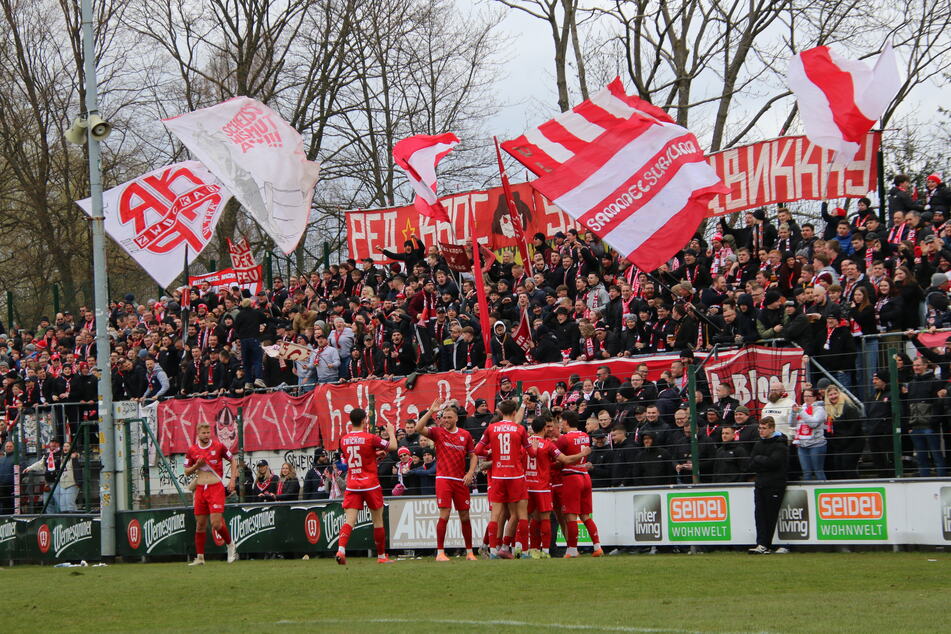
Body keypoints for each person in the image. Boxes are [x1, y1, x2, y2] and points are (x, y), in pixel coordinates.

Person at [415, 400, 479, 561]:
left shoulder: (465, 435)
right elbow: (418, 428)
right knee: (445, 513)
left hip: (460, 480)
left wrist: (470, 472)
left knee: (465, 516)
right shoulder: (437, 432)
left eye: (450, 417)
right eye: (444, 417)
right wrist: (431, 411)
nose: (446, 420)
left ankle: (470, 552)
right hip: (443, 479)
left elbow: (473, 455)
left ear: (456, 418)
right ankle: (440, 552)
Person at [336, 408, 396, 565]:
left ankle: (341, 550)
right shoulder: (370, 438)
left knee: (349, 520)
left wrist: (374, 455)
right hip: (370, 484)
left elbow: (353, 458)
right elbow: (393, 447)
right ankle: (382, 556)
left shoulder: (344, 439)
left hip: (353, 484)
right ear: (364, 420)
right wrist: (391, 432)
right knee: (377, 521)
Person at [474, 399, 533, 559]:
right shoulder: (519, 429)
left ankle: (493, 551)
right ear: (514, 412)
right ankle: (525, 552)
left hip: (498, 476)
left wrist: (492, 453)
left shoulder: (492, 428)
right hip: (516, 476)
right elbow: (532, 453)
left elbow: (478, 450)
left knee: (496, 515)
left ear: (500, 412)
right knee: (521, 514)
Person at [526, 413, 587, 558]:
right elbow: (565, 459)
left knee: (533, 518)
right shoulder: (549, 445)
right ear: (543, 428)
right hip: (543, 486)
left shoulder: (526, 442)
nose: (549, 429)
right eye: (547, 427)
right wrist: (582, 455)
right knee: (546, 518)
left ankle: (530, 549)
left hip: (529, 485)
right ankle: (546, 551)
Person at [183, 421, 238, 565]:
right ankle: (200, 557)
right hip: (201, 489)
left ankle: (231, 544)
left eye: (208, 433)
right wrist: (197, 466)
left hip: (216, 488)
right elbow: (186, 471)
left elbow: (233, 460)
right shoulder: (192, 450)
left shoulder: (218, 446)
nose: (206, 435)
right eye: (204, 433)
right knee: (200, 524)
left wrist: (232, 480)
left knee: (216, 524)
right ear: (198, 434)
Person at [555, 410, 604, 558]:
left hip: (571, 476)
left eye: (561, 421)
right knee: (585, 515)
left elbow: (559, 459)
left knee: (570, 516)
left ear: (566, 422)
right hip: (585, 476)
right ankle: (597, 547)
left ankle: (571, 550)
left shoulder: (564, 439)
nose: (560, 424)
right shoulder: (585, 436)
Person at [747, 416, 788, 554]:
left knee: (770, 515)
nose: (761, 431)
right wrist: (762, 462)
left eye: (764, 428)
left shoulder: (780, 445)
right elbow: (751, 464)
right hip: (760, 484)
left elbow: (774, 463)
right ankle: (761, 544)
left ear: (772, 428)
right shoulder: (758, 444)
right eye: (760, 428)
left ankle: (766, 544)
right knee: (759, 515)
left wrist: (759, 460)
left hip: (775, 484)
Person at [793, 388, 827, 480]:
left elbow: (813, 424)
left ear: (815, 397)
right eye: (804, 396)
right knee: (806, 473)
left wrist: (800, 412)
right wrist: (793, 413)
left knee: (818, 471)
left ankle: (823, 490)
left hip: (816, 445)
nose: (806, 398)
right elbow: (792, 424)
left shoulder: (819, 409)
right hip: (802, 445)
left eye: (809, 396)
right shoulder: (802, 407)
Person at [0, 441, 14, 515]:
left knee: (9, 507)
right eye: (7, 446)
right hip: (1, 486)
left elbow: (21, 471)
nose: (8, 448)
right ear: (5, 448)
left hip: (11, 487)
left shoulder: (17, 458)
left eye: (10, 446)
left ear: (13, 448)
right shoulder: (1, 459)